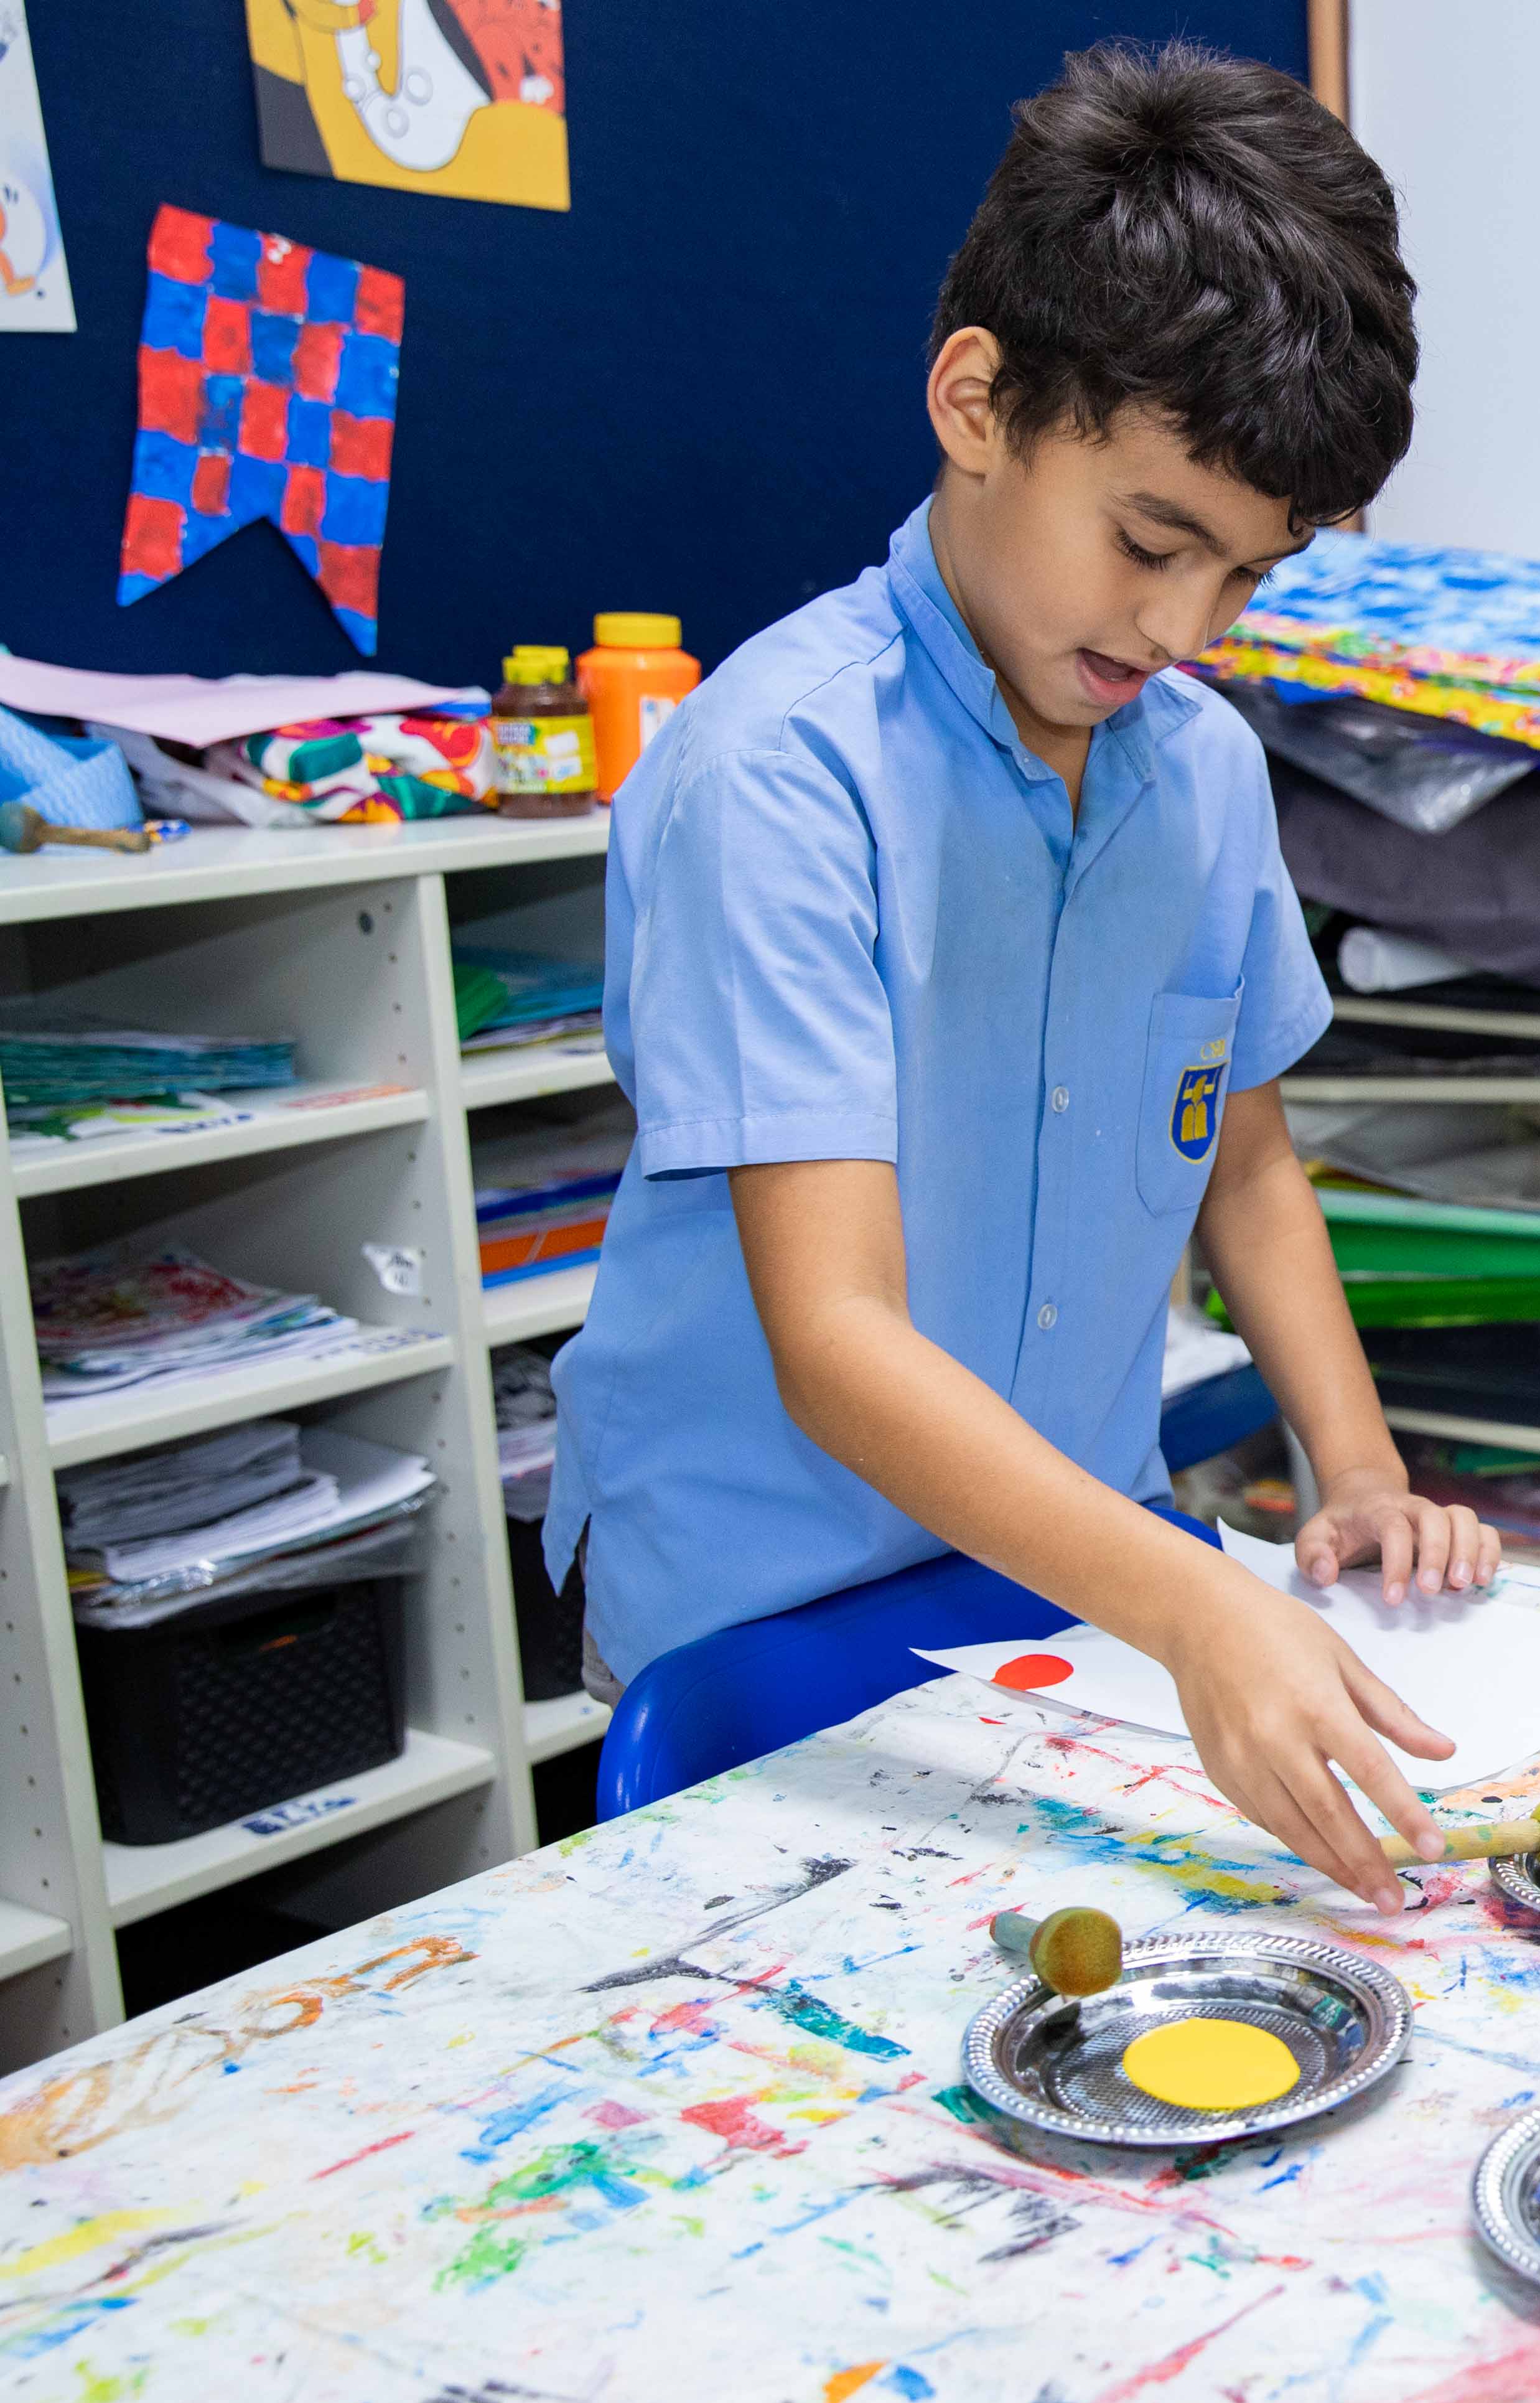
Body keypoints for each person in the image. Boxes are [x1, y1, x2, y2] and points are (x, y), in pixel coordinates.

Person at [546, 41, 1490, 1913]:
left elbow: (1246, 1159)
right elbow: (837, 1340)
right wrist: (1197, 1603)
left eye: (1242, 579)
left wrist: (1356, 1464)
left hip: (1061, 1596)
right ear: (976, 400)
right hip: (761, 1618)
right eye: (1151, 542)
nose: (1177, 627)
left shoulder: (1200, 768)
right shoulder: (781, 773)